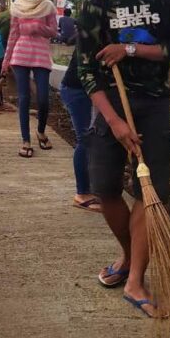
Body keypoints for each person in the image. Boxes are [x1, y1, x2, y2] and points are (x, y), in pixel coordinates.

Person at [76, 0, 170, 317]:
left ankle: (135, 280)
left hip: (154, 102)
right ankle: (129, 254)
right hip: (111, 103)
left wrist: (128, 49)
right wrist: (113, 122)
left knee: (150, 191)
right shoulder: (95, 2)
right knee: (105, 187)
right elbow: (86, 70)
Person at [2, 0, 58, 158]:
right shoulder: (17, 6)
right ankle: (25, 140)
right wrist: (6, 60)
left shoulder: (48, 6)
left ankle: (40, 131)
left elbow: (53, 32)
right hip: (20, 55)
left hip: (41, 56)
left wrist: (37, 27)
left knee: (43, 99)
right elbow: (13, 35)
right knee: (24, 99)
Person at [60, 43, 101, 213]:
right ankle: (82, 194)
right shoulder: (94, 32)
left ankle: (93, 188)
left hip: (93, 90)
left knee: (96, 138)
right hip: (77, 89)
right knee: (85, 139)